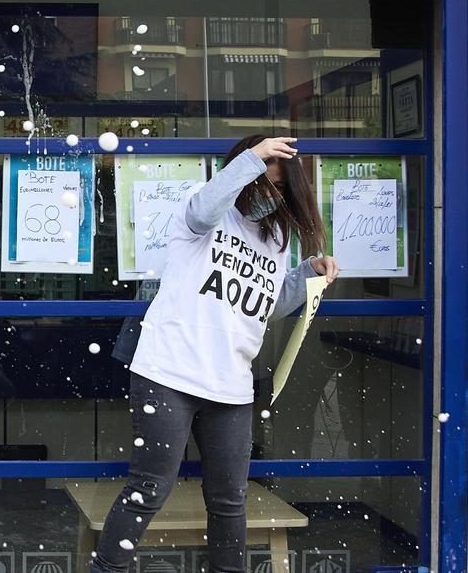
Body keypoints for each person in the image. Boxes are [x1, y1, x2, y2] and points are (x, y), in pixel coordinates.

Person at [91, 136, 341, 573]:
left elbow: (267, 304)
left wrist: (307, 275)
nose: (270, 194)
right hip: (168, 372)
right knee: (149, 487)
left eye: (280, 188)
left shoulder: (277, 239)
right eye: (264, 179)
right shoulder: (204, 209)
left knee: (230, 501)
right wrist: (255, 158)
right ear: (243, 169)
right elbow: (207, 207)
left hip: (231, 385)